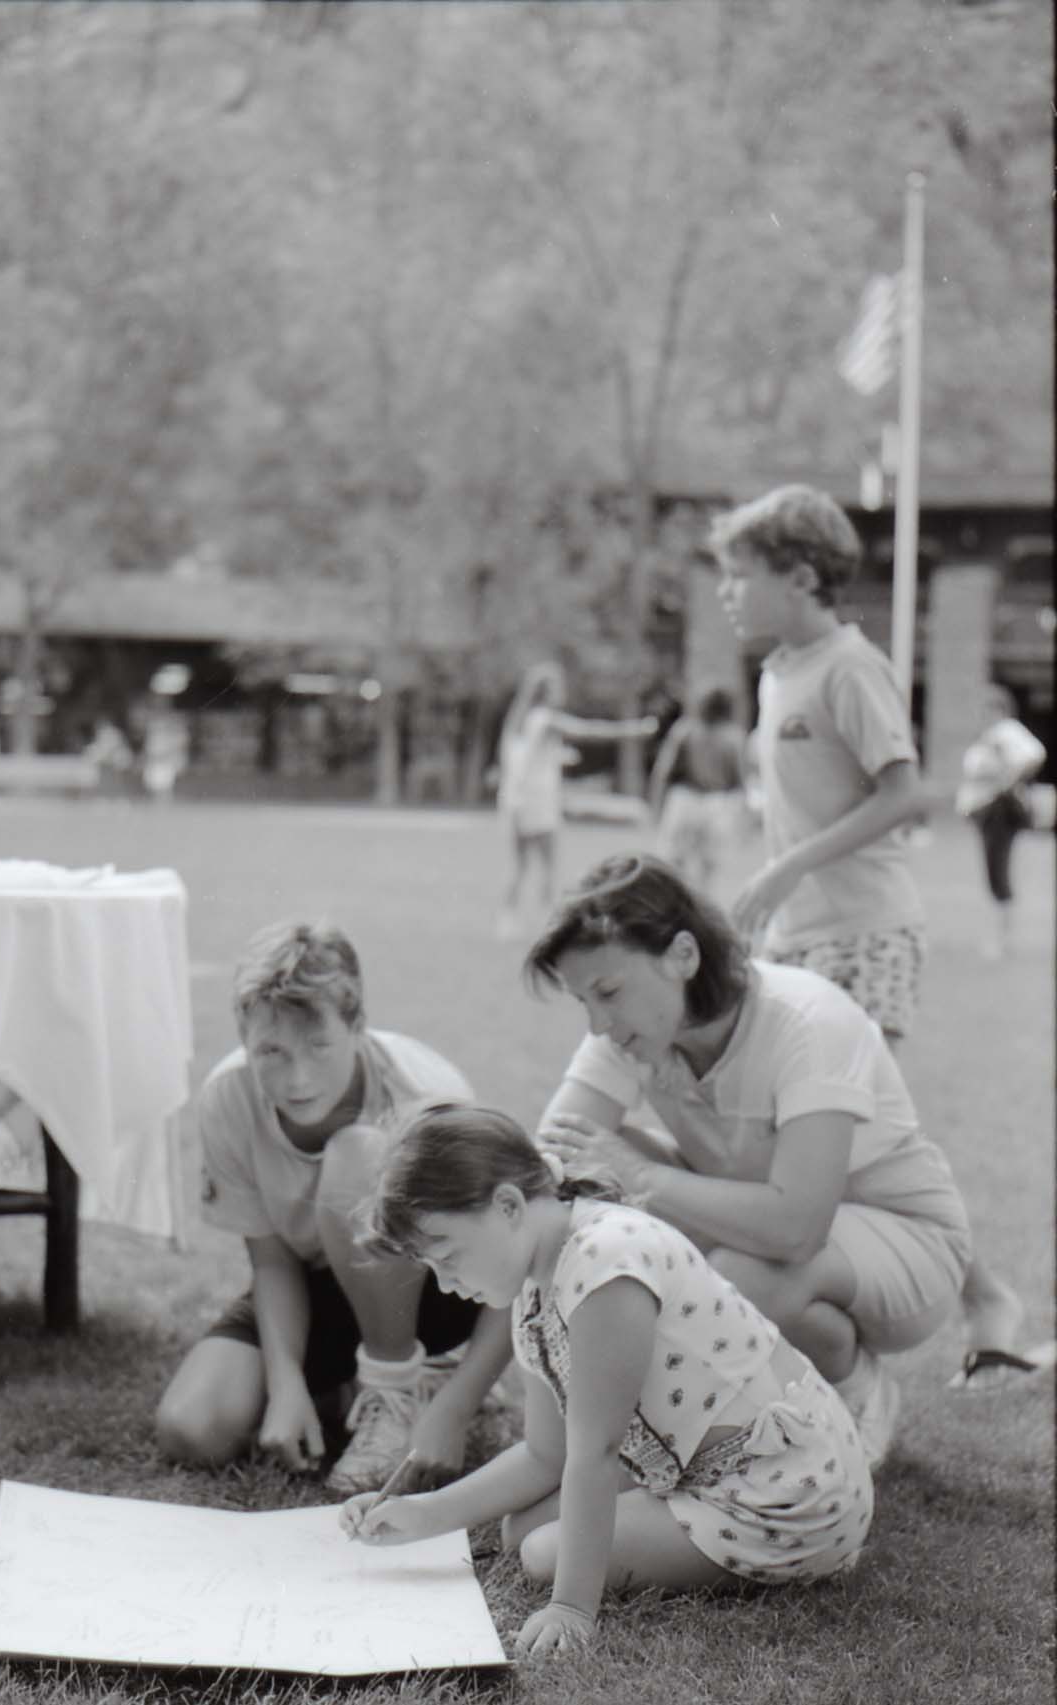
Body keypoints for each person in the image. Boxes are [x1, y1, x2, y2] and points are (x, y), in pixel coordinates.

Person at [340, 1103, 874, 1659]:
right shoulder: (534, 1284)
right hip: (705, 1468)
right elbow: (547, 1455)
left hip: (783, 1490)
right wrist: (426, 1514)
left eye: (448, 1255)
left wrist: (571, 1608)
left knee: (544, 1554)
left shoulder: (605, 1264)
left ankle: (763, 1545)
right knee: (520, 1531)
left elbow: (595, 1452)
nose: (447, 1285)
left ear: (508, 1205)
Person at [709, 483, 1032, 1396]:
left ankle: (978, 1306)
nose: (727, 591)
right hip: (798, 941)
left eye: (741, 575)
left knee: (850, 1145)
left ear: (802, 576)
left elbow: (905, 793)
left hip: (867, 931)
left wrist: (782, 870)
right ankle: (868, 1328)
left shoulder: (851, 667)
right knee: (805, 1146)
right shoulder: (776, 672)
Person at [529, 853, 972, 1473]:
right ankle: (789, 1384)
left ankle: (852, 1397)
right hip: (762, 1230)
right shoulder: (630, 1031)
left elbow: (797, 1227)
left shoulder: (806, 1019)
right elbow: (549, 1164)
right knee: (593, 1177)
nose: (598, 1023)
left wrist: (642, 1177)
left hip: (905, 1240)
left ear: (683, 955)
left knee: (733, 1269)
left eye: (607, 991)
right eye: (583, 1001)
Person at [155, 920, 513, 1495]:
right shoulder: (228, 1097)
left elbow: (515, 1268)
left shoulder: (426, 1093)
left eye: (319, 1046)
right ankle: (352, 1388)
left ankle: (400, 1386)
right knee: (193, 1427)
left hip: (432, 1288)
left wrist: (458, 1404)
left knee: (357, 1155)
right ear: (245, 1037)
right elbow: (272, 1261)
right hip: (316, 1283)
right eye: (270, 1051)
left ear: (358, 1026)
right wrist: (286, 1379)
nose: (296, 1079)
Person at [494, 661, 657, 938]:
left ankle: (507, 920)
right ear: (546, 692)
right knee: (549, 864)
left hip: (514, 801)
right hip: (537, 803)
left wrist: (558, 758)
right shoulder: (545, 719)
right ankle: (549, 923)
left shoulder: (519, 723)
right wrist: (634, 730)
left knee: (521, 865)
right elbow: (589, 731)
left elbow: (520, 761)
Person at [955, 684, 1047, 961]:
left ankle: (1001, 937)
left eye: (986, 708)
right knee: (993, 870)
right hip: (984, 809)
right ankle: (997, 934)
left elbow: (1033, 754)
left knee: (997, 870)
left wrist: (1005, 777)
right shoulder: (991, 736)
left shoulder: (1005, 732)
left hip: (997, 809)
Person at [648, 686, 748, 894]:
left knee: (676, 862)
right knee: (706, 869)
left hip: (688, 800)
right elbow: (739, 781)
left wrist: (656, 806)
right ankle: (696, 904)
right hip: (716, 802)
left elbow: (663, 773)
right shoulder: (732, 737)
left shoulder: (686, 730)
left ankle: (681, 902)